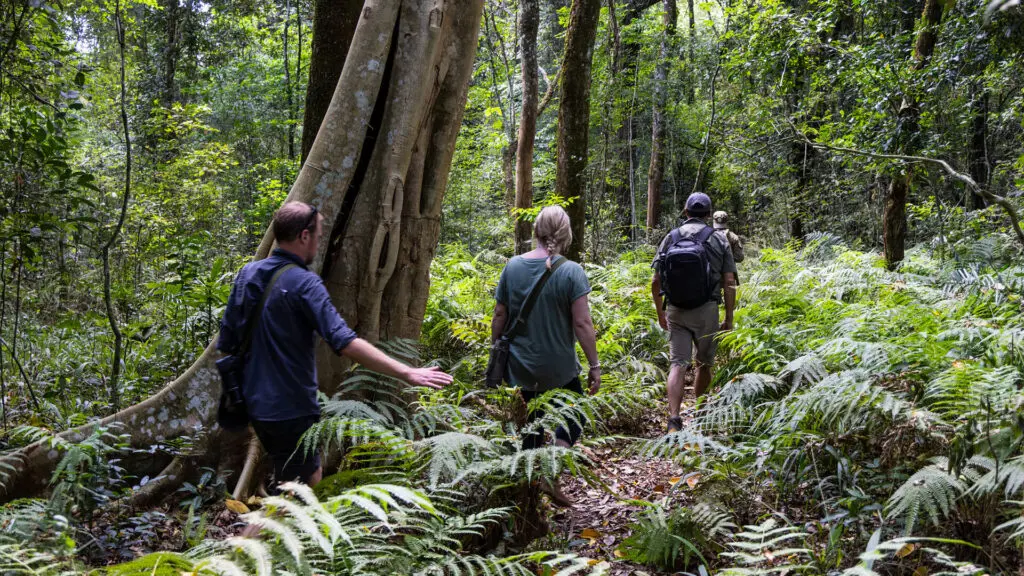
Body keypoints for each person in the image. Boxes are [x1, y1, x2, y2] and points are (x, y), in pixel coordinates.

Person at [218, 201, 453, 490]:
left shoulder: (246, 274)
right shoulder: (305, 283)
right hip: (290, 406)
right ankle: (254, 535)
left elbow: (226, 339)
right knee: (303, 485)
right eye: (318, 233)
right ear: (304, 236)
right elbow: (345, 342)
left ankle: (267, 527)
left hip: (250, 401)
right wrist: (408, 373)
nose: (320, 241)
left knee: (291, 476)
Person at [490, 206, 599, 506]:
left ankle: (527, 493)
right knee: (575, 415)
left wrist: (494, 350)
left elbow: (500, 314)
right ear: (566, 233)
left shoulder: (512, 266)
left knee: (531, 426)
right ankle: (550, 476)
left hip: (520, 367)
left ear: (536, 231)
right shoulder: (571, 271)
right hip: (560, 368)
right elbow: (582, 323)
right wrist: (595, 365)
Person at [651, 193, 737, 433]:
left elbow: (655, 281)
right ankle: (700, 416)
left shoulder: (671, 237)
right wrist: (728, 317)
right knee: (703, 365)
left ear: (686, 212)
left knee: (678, 364)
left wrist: (660, 314)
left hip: (676, 309)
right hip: (707, 310)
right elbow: (729, 281)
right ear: (708, 215)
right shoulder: (719, 239)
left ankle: (674, 420)